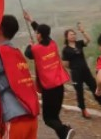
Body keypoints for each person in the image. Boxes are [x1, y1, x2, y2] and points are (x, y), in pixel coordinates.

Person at [23, 11, 75, 139]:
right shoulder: (53, 44)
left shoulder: (35, 49)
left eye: (37, 33)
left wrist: (30, 44)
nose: (36, 34)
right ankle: (64, 135)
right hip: (59, 86)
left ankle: (65, 130)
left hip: (49, 89)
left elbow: (27, 53)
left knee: (48, 119)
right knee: (55, 116)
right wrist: (31, 20)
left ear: (39, 35)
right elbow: (43, 32)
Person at [62, 24, 101, 119]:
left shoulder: (79, 43)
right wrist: (74, 67)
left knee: (94, 87)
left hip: (85, 70)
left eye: (74, 34)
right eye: (71, 34)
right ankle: (83, 110)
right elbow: (65, 64)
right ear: (66, 37)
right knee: (79, 92)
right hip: (76, 73)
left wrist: (83, 31)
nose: (73, 35)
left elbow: (88, 40)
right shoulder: (65, 50)